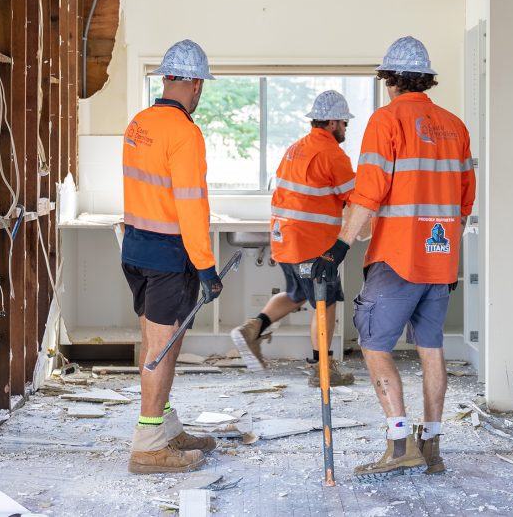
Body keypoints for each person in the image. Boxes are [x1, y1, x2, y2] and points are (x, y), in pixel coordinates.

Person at [312, 36, 476, 478]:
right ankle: (433, 446)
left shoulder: (386, 121)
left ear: (389, 81)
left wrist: (341, 245)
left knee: (374, 345)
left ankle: (400, 442)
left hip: (397, 257)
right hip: (440, 260)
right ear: (426, 80)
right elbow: (465, 201)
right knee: (432, 349)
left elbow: (368, 192)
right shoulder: (455, 126)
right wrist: (445, 249)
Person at [121, 39, 222, 474]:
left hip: (137, 248)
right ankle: (147, 445)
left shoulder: (139, 122)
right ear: (195, 84)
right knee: (162, 350)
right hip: (169, 256)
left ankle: (164, 427)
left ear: (167, 78)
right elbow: (191, 204)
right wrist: (207, 267)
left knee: (157, 344)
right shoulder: (185, 132)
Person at [231, 90, 357, 386]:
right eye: (344, 124)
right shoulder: (332, 154)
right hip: (314, 246)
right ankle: (322, 370)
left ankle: (252, 329)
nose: (345, 129)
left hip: (286, 241)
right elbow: (356, 198)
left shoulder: (295, 148)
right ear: (332, 123)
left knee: (296, 294)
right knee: (325, 304)